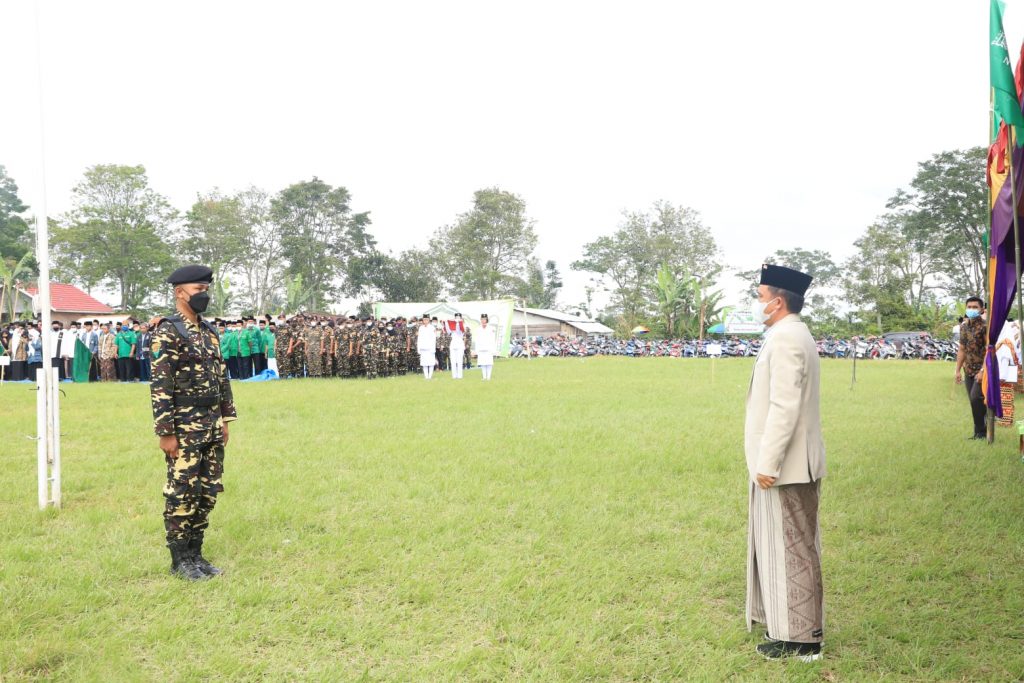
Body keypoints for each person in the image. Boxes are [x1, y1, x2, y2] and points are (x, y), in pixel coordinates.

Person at [745, 264, 826, 662]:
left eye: (760, 297)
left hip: (787, 464)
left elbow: (784, 406)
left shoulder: (787, 338)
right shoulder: (788, 333)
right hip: (789, 462)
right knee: (785, 544)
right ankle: (785, 626)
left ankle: (804, 641)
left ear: (777, 302)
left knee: (793, 548)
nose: (756, 303)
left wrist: (768, 461)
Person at [151, 264, 237, 582]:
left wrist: (225, 418)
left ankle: (196, 553)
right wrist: (166, 432)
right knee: (182, 491)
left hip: (211, 423)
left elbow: (222, 378)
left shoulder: (209, 332)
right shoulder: (168, 331)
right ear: (180, 292)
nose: (204, 295)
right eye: (198, 290)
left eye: (206, 290)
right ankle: (180, 559)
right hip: (184, 426)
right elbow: (161, 386)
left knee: (208, 491)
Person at [955, 296, 988, 440]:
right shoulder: (963, 327)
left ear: (981, 309)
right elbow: (962, 349)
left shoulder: (985, 327)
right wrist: (957, 370)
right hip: (968, 369)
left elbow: (989, 350)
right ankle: (979, 430)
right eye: (969, 307)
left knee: (976, 398)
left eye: (975, 307)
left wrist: (983, 371)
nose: (972, 309)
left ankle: (981, 432)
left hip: (982, 369)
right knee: (974, 402)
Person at [995, 318, 1021, 427]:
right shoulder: (1004, 341)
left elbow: (1006, 358)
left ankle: (1005, 421)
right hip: (1003, 373)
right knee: (1005, 398)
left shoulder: (1005, 342)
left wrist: (1002, 376)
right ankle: (1004, 420)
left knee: (1005, 398)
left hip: (1003, 375)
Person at [475, 313, 497, 381]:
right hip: (481, 348)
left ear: (487, 320)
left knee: (489, 363)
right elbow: (477, 339)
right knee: (482, 363)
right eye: (482, 319)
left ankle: (488, 377)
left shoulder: (491, 328)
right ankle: (484, 377)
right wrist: (476, 349)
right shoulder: (478, 329)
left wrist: (493, 349)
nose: (483, 320)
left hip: (489, 348)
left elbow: (493, 339)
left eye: (484, 319)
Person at [417, 314, 437, 380]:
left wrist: (433, 348)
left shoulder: (432, 327)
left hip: (430, 348)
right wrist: (418, 348)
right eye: (424, 319)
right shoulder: (421, 328)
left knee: (431, 363)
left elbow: (434, 339)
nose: (425, 321)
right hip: (423, 348)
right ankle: (426, 377)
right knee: (424, 363)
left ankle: (430, 377)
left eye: (426, 319)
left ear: (429, 320)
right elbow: (419, 338)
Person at [448, 314, 467, 379]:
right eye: (456, 317)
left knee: (459, 361)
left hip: (460, 344)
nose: (457, 319)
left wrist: (458, 323)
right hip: (453, 344)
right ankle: (454, 375)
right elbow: (448, 331)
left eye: (459, 317)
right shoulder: (452, 325)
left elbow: (461, 330)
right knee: (453, 361)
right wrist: (447, 323)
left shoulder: (463, 325)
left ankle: (460, 375)